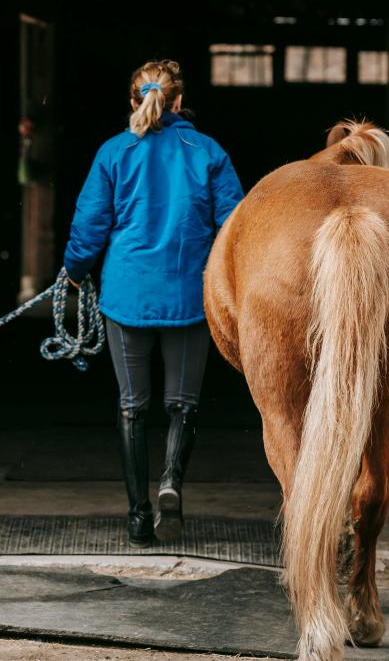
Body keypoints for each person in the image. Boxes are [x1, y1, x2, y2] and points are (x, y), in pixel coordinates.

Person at [62, 59, 244, 545]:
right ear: (179, 101)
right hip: (189, 293)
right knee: (182, 404)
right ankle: (171, 482)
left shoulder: (114, 153)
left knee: (131, 407)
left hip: (126, 294)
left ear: (133, 100)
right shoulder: (208, 153)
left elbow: (89, 226)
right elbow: (234, 227)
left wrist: (75, 272)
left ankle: (139, 517)